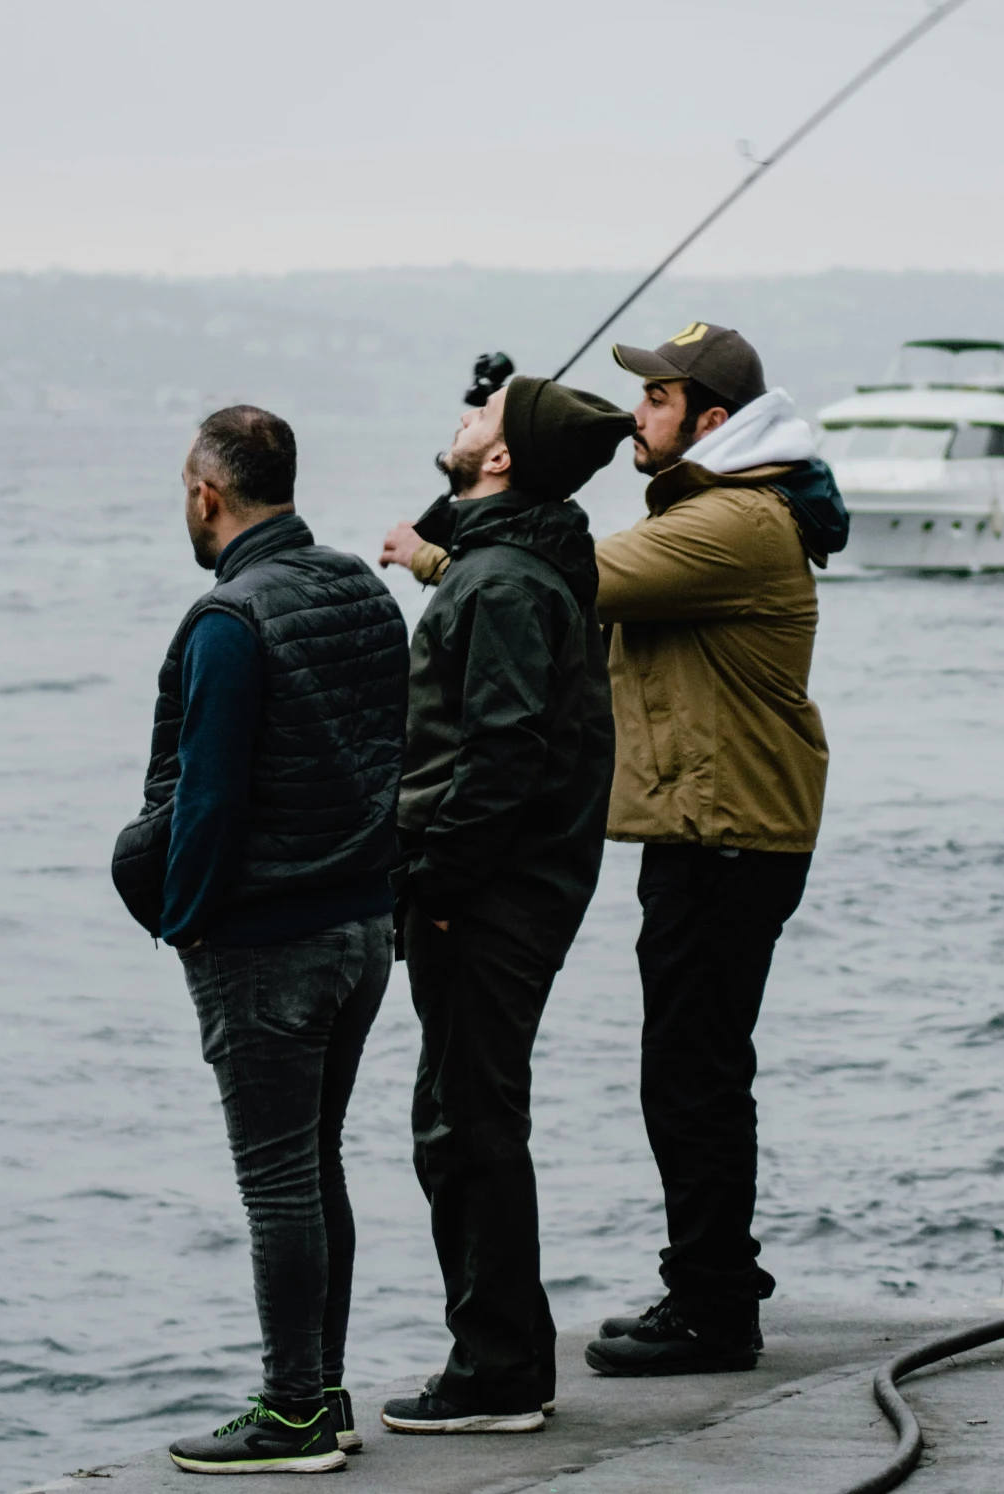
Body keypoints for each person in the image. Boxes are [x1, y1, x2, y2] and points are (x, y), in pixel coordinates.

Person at [114, 404, 409, 1476]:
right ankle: (320, 1396)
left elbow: (208, 798)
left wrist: (183, 917)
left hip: (271, 943)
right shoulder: (361, 588)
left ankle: (292, 1414)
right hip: (364, 928)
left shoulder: (229, 619)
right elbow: (393, 749)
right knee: (314, 1162)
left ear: (207, 490)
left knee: (276, 1181)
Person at [582, 322, 848, 1378]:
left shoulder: (731, 521)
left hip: (727, 828)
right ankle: (708, 1284)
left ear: (712, 421)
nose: (633, 416)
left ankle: (714, 1310)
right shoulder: (723, 509)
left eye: (654, 399)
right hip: (713, 822)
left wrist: (440, 536)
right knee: (694, 1065)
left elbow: (572, 577)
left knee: (690, 1073)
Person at [376, 375, 635, 1433]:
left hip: (488, 897)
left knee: (466, 1126)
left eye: (481, 419)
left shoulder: (506, 586)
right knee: (463, 1119)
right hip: (503, 888)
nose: (461, 422)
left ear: (503, 461)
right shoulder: (519, 556)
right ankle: (499, 1358)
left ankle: (498, 1373)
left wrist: (437, 885)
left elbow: (503, 754)